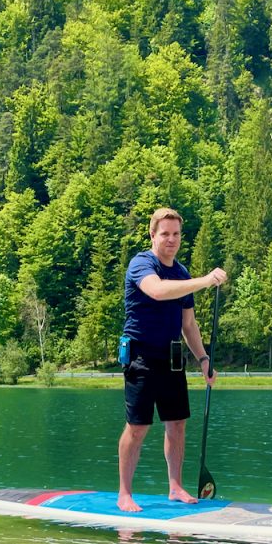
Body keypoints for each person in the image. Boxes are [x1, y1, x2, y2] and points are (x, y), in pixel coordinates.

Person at [117, 207, 228, 512]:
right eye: (165, 233)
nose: (171, 239)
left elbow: (188, 324)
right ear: (153, 235)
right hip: (140, 355)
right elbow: (157, 291)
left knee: (177, 424)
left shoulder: (181, 273)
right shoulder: (141, 264)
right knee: (138, 427)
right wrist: (205, 281)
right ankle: (125, 493)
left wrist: (204, 359)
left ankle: (175, 487)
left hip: (172, 357)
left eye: (176, 234)